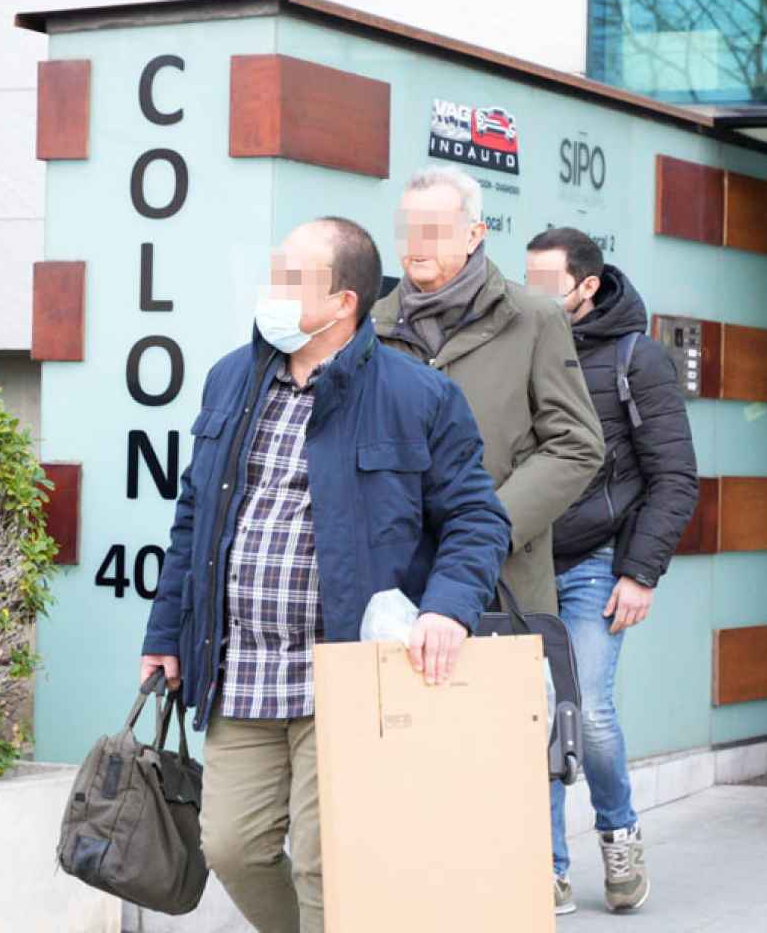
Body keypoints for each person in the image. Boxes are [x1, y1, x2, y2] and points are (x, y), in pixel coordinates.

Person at [139, 217, 511, 933]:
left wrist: (448, 608)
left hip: (344, 665)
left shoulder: (417, 397)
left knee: (323, 858)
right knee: (232, 846)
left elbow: (476, 518)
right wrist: (167, 634)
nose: (269, 290)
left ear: (343, 303)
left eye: (290, 278)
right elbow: (193, 520)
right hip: (239, 663)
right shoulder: (229, 379)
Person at [525, 227, 697, 916]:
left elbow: (676, 477)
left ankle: (619, 830)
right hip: (524, 562)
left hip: (599, 563)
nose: (530, 292)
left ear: (586, 286)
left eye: (545, 281)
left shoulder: (637, 357)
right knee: (530, 713)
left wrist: (641, 572)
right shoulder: (519, 342)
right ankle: (544, 867)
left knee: (588, 712)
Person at [374, 165, 605, 620]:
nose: (416, 244)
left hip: (501, 582)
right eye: (408, 229)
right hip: (390, 586)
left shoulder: (534, 318)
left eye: (434, 230)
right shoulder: (370, 326)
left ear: (474, 234)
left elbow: (577, 445)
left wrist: (489, 528)